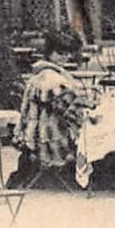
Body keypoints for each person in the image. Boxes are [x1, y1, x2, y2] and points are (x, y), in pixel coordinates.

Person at [11, 30, 91, 188]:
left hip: (33, 138)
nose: (64, 57)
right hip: (50, 140)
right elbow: (71, 109)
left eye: (68, 53)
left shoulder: (42, 73)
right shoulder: (50, 78)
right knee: (100, 137)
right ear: (49, 52)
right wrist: (91, 105)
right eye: (60, 52)